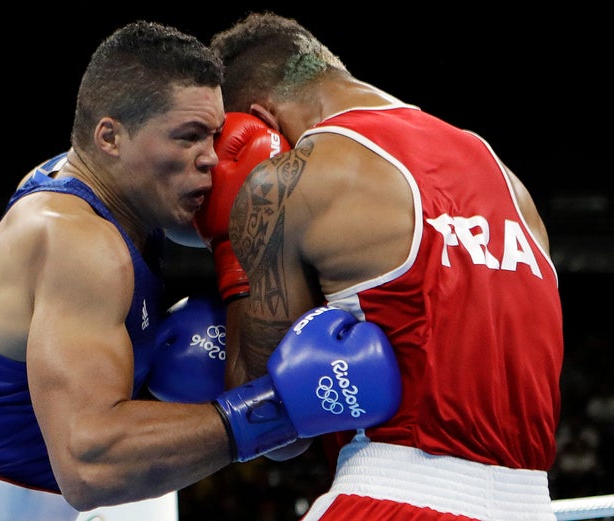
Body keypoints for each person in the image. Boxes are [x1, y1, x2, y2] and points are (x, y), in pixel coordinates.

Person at [0, 19, 401, 521]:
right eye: (189, 137)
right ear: (111, 137)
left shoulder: (98, 189)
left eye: (217, 137)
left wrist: (239, 238)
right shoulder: (79, 241)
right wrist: (276, 409)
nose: (212, 160)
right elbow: (90, 464)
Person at [197, 11, 565, 521]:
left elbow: (270, 423)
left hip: (390, 495)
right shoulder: (506, 178)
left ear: (256, 121)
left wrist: (231, 244)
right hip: (530, 504)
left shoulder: (289, 180)